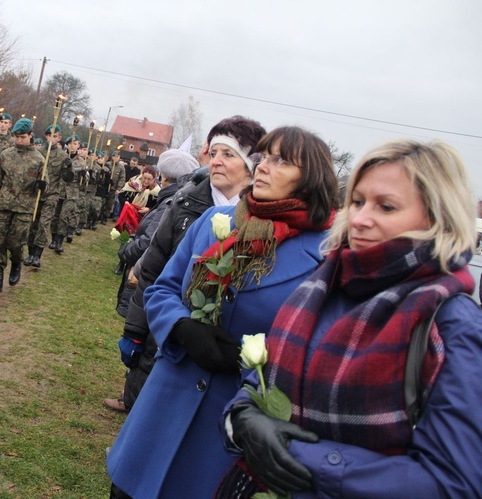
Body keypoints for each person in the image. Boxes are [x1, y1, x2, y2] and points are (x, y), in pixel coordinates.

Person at [218, 139, 482, 498]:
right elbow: (260, 381)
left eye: (386, 207)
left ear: (438, 218)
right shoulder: (323, 283)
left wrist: (301, 457)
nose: (359, 218)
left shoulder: (451, 323)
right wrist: (243, 420)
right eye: (357, 201)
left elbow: (454, 482)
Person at [106, 126, 340, 499]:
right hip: (165, 406)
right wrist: (182, 327)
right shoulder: (217, 223)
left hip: (226, 428)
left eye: (281, 161)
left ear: (311, 177)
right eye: (262, 158)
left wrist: (250, 361)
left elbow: (317, 350)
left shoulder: (326, 258)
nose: (262, 167)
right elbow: (163, 287)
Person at [104, 116, 266, 413]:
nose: (216, 161)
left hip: (224, 348)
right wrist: (135, 331)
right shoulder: (185, 202)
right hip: (168, 332)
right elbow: (152, 271)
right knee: (148, 412)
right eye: (213, 152)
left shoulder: (264, 219)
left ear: (251, 164)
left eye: (228, 154)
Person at [114, 150, 200, 320]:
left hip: (150, 278)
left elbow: (149, 241)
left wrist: (125, 252)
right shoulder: (175, 199)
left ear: (163, 177)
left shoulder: (171, 202)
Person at [0, 118, 45, 295]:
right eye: (17, 137)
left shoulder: (39, 159)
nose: (19, 140)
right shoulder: (6, 154)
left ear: (30, 136)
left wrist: (42, 186)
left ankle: (16, 264)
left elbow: (45, 184)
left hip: (24, 207)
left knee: (16, 242)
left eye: (22, 137)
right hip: (4, 204)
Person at [24, 124, 70, 268]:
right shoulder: (38, 153)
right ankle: (30, 252)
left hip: (52, 194)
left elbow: (67, 178)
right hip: (37, 194)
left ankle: (37, 254)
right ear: (46, 136)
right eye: (50, 136)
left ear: (59, 138)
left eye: (55, 136)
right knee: (33, 223)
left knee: (44, 224)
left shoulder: (63, 156)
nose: (52, 139)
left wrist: (68, 167)